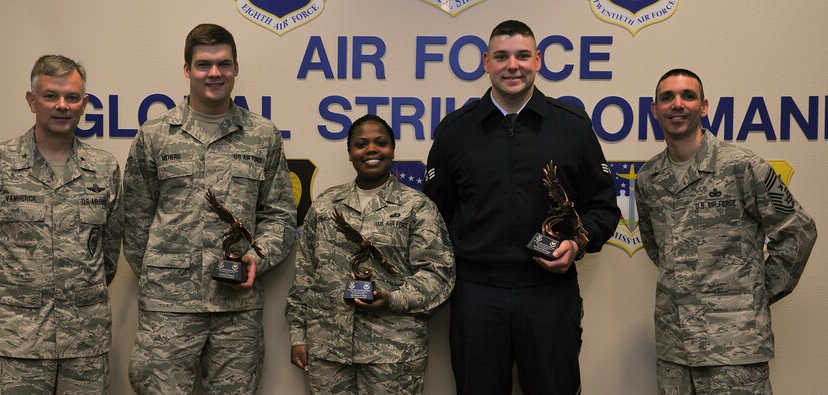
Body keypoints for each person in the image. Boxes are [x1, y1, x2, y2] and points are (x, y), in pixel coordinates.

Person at [423, 20, 620, 394]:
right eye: (501, 56)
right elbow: (435, 219)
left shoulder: (572, 127)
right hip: (477, 292)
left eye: (522, 56)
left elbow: (604, 209)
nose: (512, 65)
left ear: (538, 60)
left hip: (549, 290)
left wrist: (577, 244)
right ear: (486, 62)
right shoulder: (455, 132)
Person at [124, 23, 297, 393]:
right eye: (203, 64)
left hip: (237, 308)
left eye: (223, 64)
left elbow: (280, 216)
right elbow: (136, 217)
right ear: (187, 69)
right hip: (168, 309)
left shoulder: (263, 135)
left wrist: (257, 258)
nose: (214, 73)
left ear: (236, 68)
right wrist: (164, 275)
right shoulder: (155, 134)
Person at [635, 68, 817, 394]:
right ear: (655, 109)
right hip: (674, 348)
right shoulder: (649, 177)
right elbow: (658, 247)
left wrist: (755, 294)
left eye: (687, 96)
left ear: (704, 106)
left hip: (734, 348)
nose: (677, 104)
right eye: (667, 98)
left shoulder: (741, 166)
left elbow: (798, 231)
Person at [0, 54, 122, 394]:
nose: (62, 105)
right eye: (51, 95)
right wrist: (2, 303)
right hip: (13, 345)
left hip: (83, 345)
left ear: (84, 103)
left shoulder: (104, 169)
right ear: (32, 101)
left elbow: (108, 253)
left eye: (72, 97)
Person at [286, 114, 455, 394]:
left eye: (381, 142)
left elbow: (439, 274)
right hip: (329, 348)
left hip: (393, 352)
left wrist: (392, 299)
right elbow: (305, 274)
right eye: (361, 144)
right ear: (350, 152)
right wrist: (298, 335)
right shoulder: (326, 205)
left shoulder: (417, 207)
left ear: (392, 149)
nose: (371, 150)